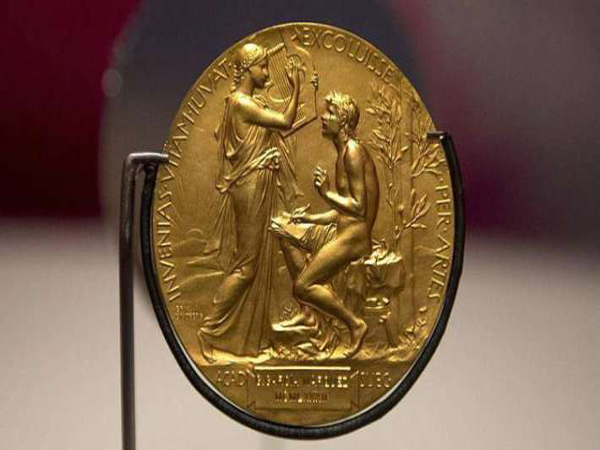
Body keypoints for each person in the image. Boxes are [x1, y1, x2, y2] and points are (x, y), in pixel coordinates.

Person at [198, 43, 302, 361]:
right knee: (246, 267)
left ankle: (253, 337)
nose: (267, 73)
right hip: (251, 186)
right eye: (263, 67)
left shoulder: (243, 103)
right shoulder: (242, 103)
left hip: (259, 183)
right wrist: (296, 86)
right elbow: (285, 121)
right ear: (247, 69)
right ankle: (208, 331)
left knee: (260, 262)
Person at [277, 91, 380, 357]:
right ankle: (308, 314)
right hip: (343, 230)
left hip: (354, 240)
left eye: (330, 113)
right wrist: (309, 218)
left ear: (343, 122)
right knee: (283, 231)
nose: (323, 117)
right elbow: (341, 212)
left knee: (302, 286)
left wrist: (325, 193)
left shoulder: (353, 152)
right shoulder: (343, 153)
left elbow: (358, 207)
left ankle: (354, 325)